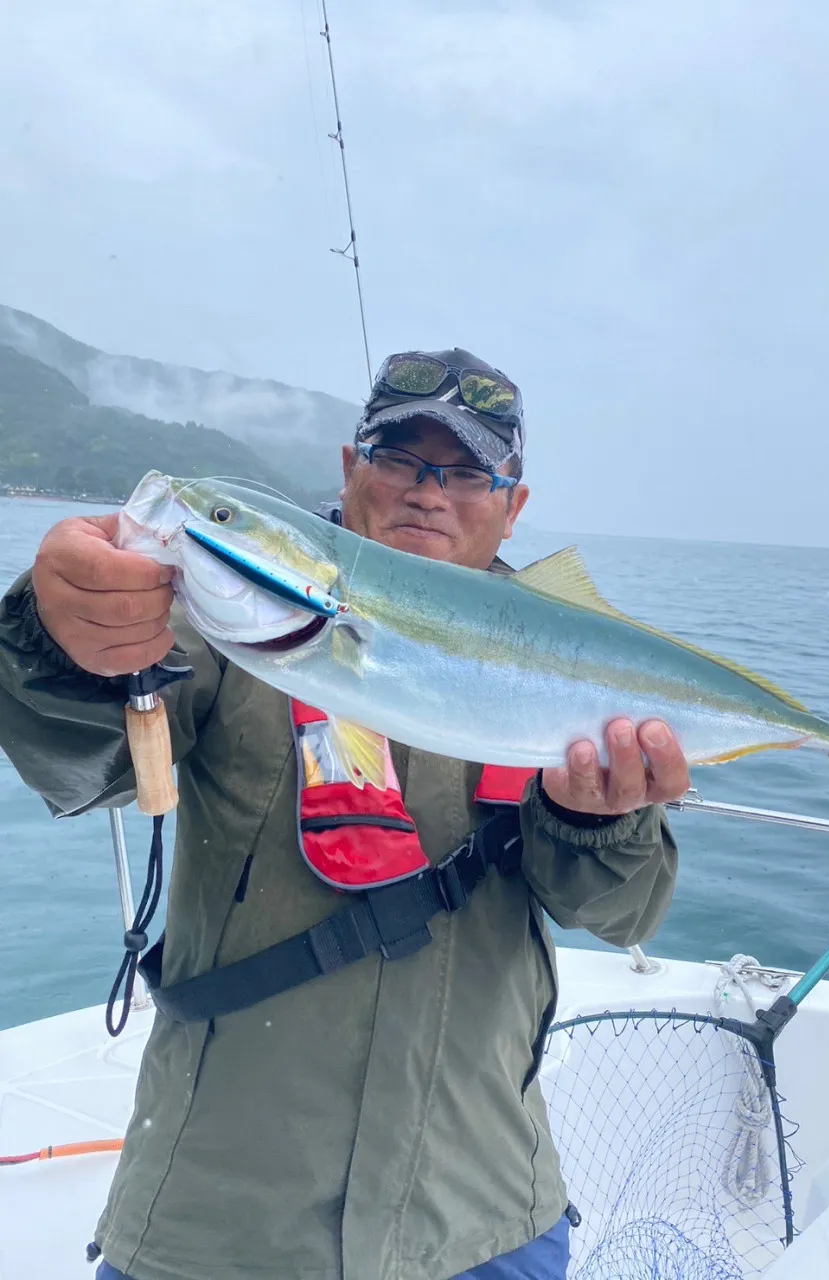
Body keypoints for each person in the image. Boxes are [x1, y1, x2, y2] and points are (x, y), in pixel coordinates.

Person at [0, 347, 690, 1280]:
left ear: (513, 505)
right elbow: (73, 764)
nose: (427, 493)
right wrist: (56, 639)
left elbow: (622, 913)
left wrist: (597, 820)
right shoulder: (228, 626)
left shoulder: (564, 679)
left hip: (482, 1217)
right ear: (347, 469)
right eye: (399, 459)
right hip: (221, 1228)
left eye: (466, 471)